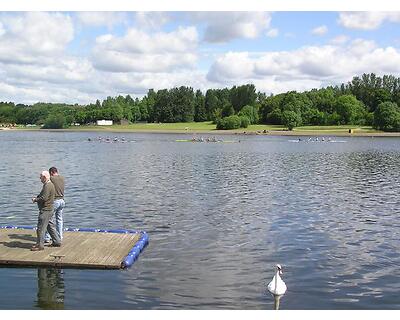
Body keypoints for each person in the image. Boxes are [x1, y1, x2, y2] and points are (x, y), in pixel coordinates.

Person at [31, 171, 61, 251]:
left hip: (46, 210)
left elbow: (44, 198)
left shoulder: (48, 185)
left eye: (40, 177)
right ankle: (57, 241)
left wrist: (35, 199)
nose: (40, 179)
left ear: (44, 177)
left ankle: (40, 245)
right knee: (50, 226)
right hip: (50, 209)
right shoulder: (49, 185)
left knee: (40, 228)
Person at [45, 167, 65, 243]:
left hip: (55, 201)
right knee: (59, 219)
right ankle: (60, 236)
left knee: (49, 220)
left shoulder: (52, 178)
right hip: (62, 201)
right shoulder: (62, 178)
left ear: (51, 173)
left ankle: (47, 237)